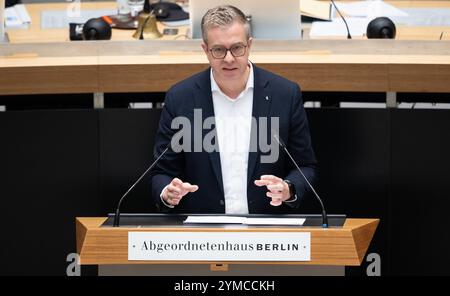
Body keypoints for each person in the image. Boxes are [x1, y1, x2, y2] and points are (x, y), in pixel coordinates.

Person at [151, 5, 317, 214]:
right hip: (203, 233)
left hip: (267, 232)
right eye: (219, 50)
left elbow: (305, 167)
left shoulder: (284, 94)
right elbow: (161, 171)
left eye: (237, 48)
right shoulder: (181, 98)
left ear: (249, 45)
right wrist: (168, 192)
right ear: (205, 50)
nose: (229, 59)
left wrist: (288, 189)